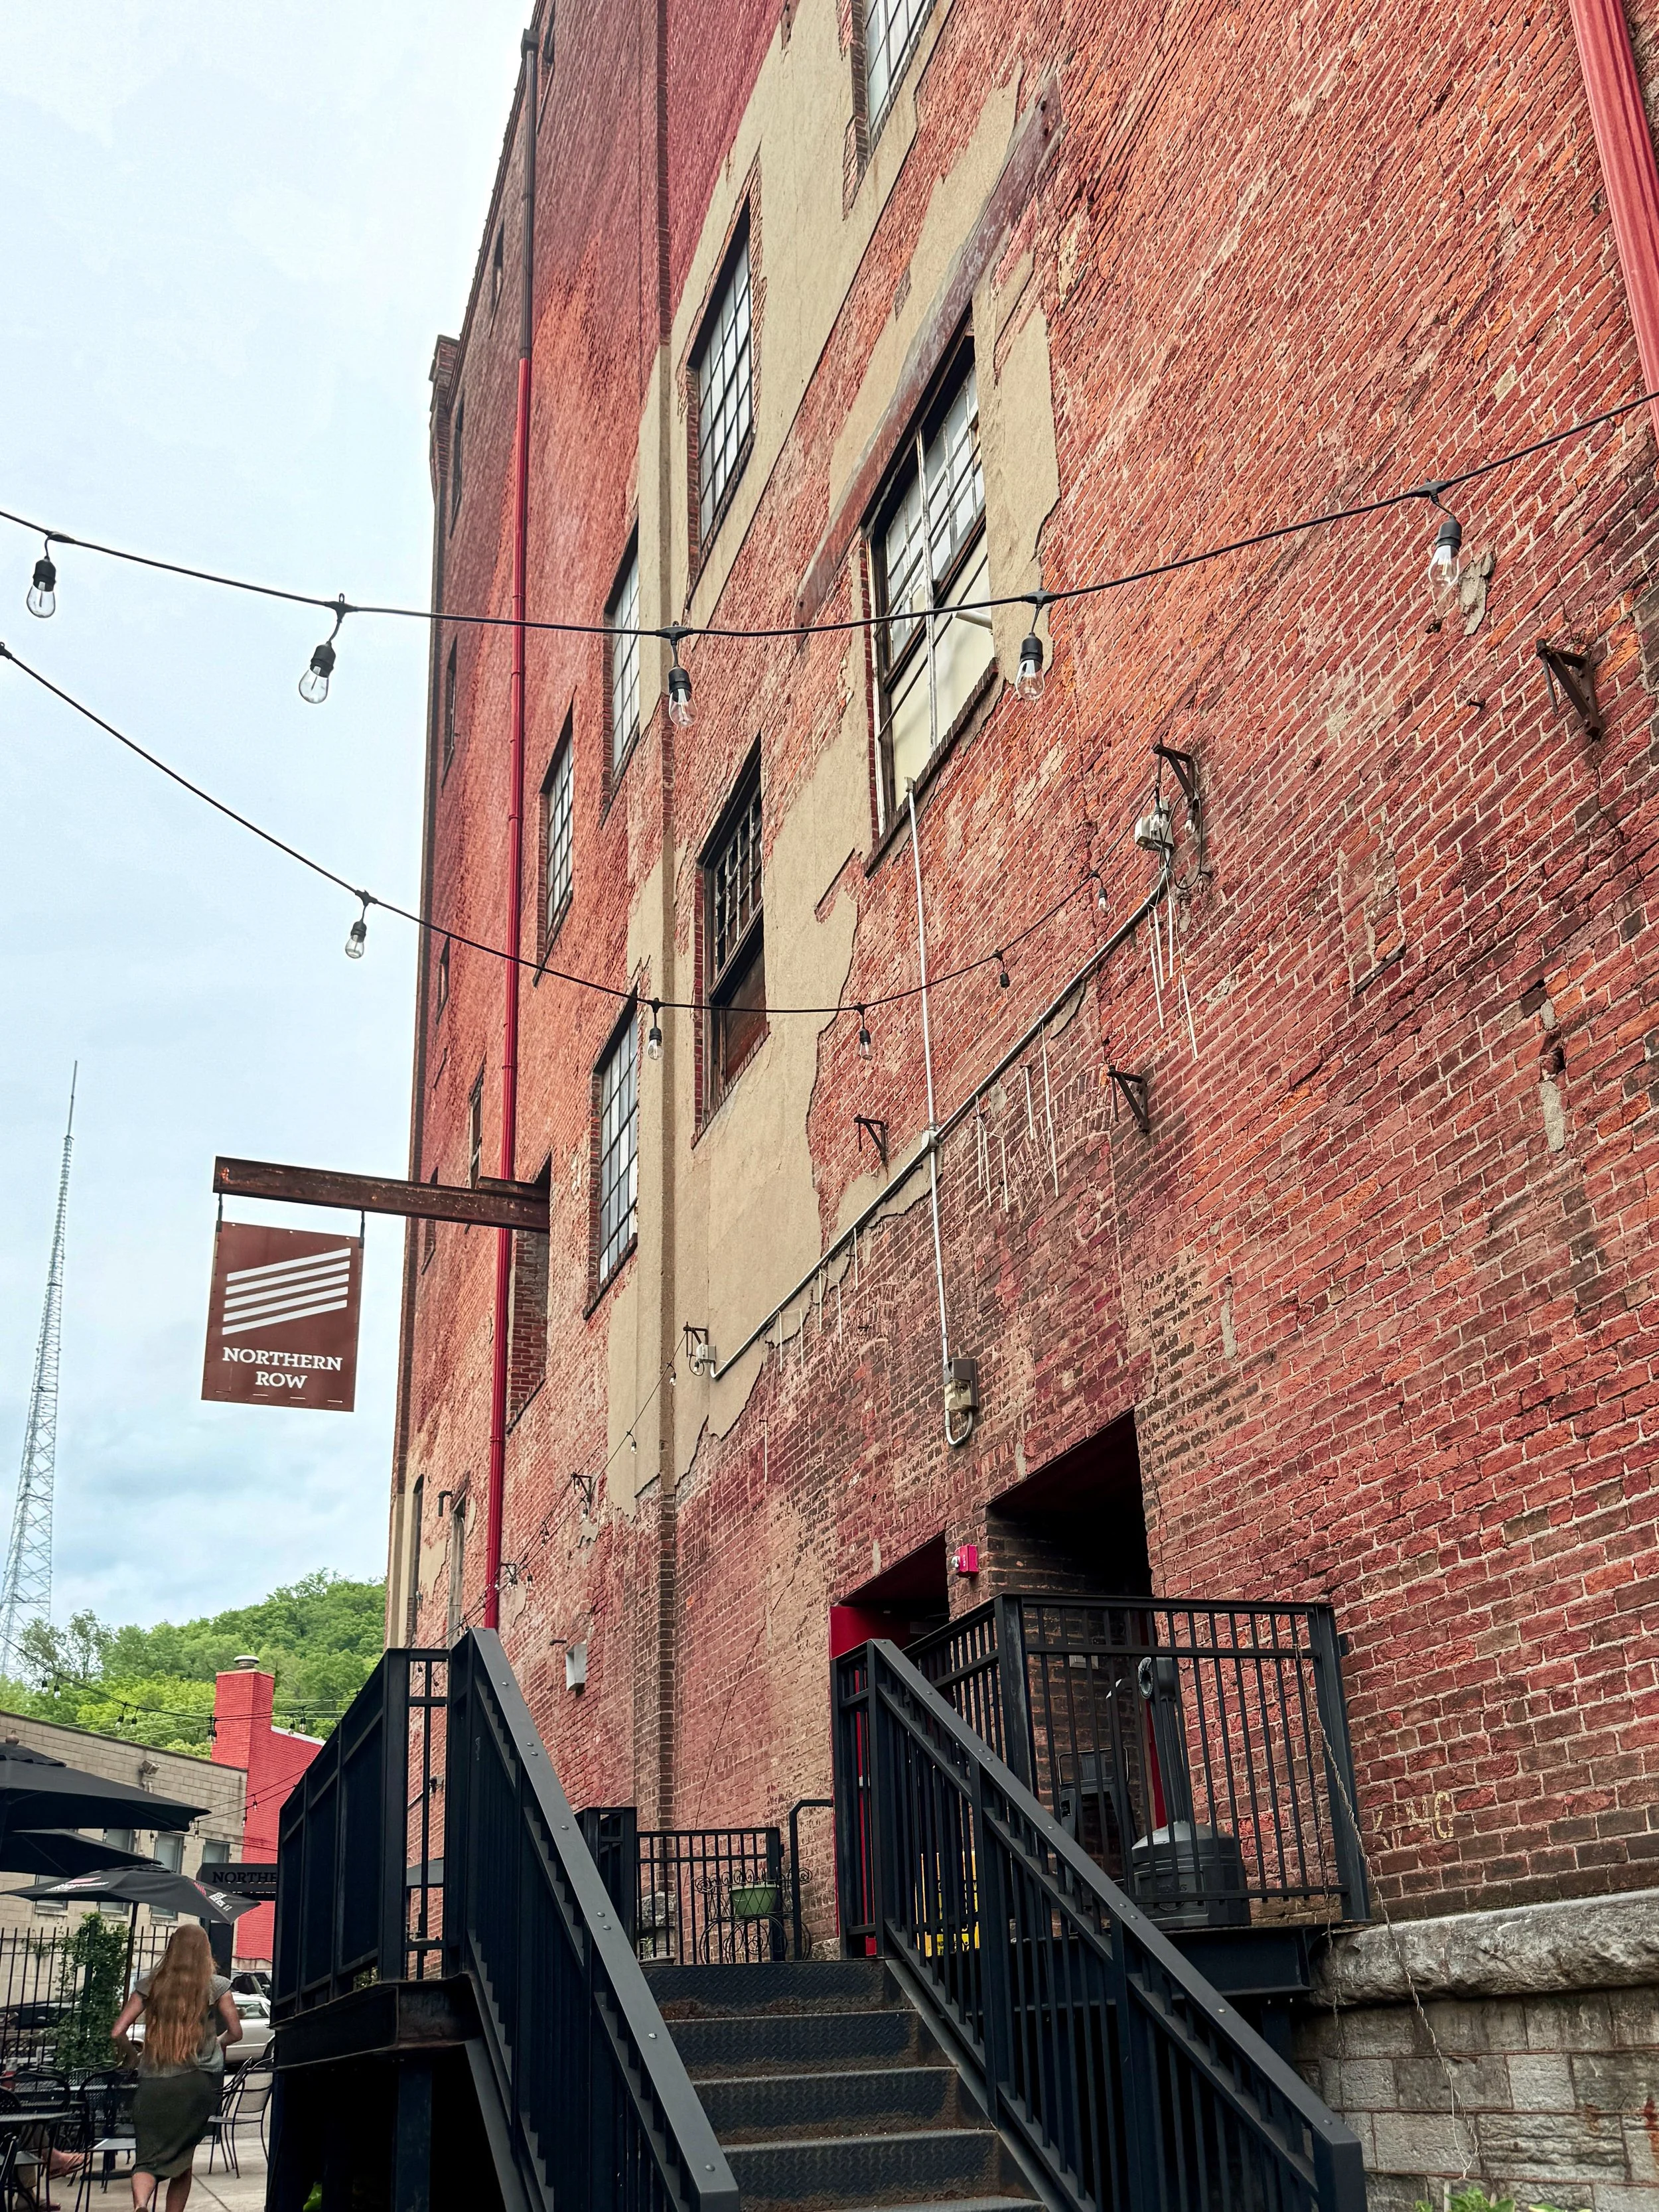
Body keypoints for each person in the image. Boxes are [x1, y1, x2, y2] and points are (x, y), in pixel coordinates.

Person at [109, 1924, 242, 2212]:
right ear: (204, 1951)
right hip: (197, 2083)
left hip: (153, 2082)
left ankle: (141, 2204)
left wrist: (133, 2057)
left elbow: (118, 2032)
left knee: (147, 2159)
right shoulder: (217, 1986)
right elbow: (235, 2032)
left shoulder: (149, 1985)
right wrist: (217, 2043)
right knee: (183, 2158)